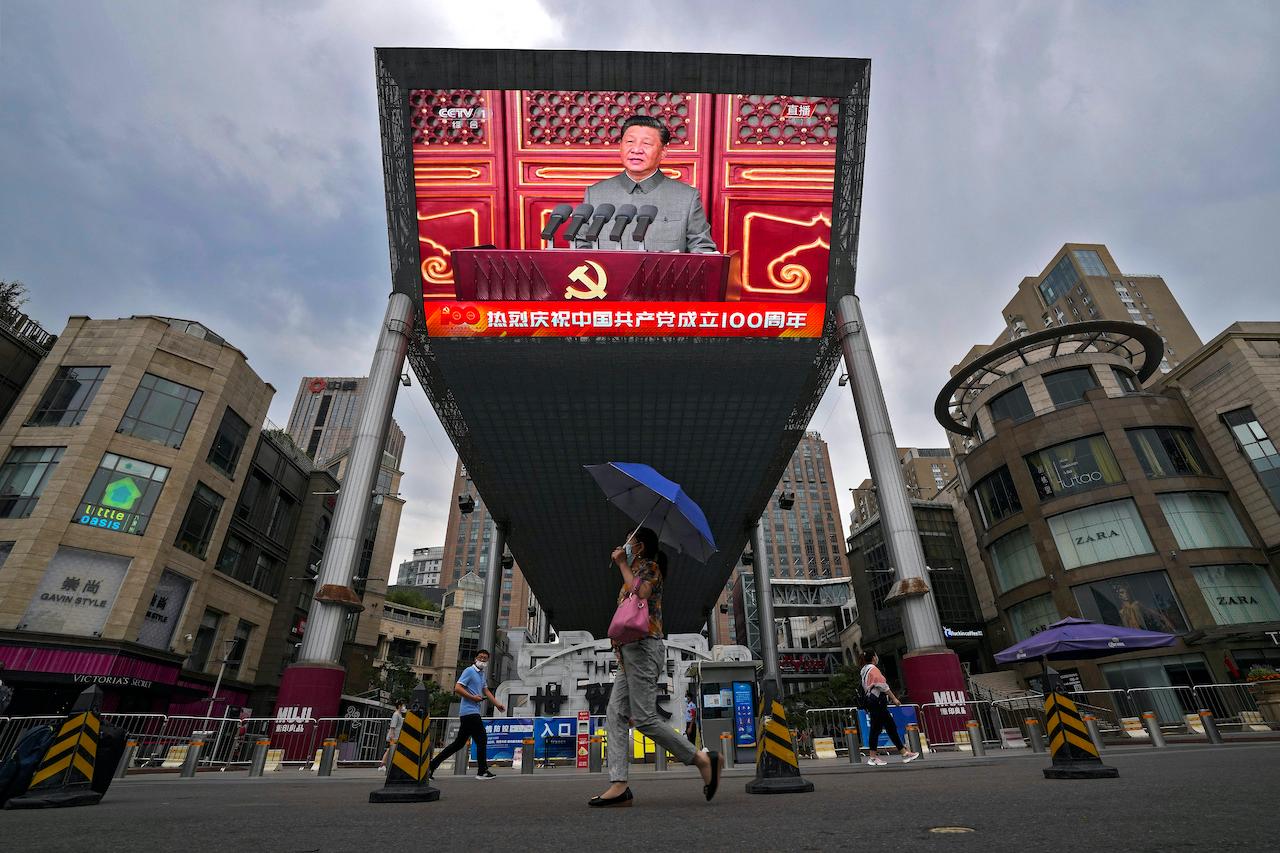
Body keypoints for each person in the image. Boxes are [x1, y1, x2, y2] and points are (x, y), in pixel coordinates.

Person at [590, 528, 722, 807]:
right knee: (615, 713)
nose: (625, 543)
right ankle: (619, 784)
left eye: (630, 540)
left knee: (645, 718)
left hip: (644, 647)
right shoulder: (636, 569)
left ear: (640, 545)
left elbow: (642, 593)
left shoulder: (651, 568)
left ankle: (701, 759)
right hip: (628, 654)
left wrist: (623, 565)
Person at [577, 115, 717, 253]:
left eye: (646, 143)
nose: (636, 149)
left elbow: (702, 249)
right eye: (630, 142)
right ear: (620, 146)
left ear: (663, 152)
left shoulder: (687, 197)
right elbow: (580, 244)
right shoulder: (596, 193)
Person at [427, 650, 506, 780]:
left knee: (458, 744)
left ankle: (431, 766)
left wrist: (497, 704)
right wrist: (473, 698)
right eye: (480, 657)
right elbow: (457, 688)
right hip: (469, 712)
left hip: (471, 712)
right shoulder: (469, 671)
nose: (482, 660)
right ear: (476, 658)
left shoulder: (481, 674)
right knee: (482, 739)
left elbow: (486, 690)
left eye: (485, 658)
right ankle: (482, 771)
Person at [859, 649, 919, 766]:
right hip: (877, 703)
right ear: (874, 658)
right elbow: (883, 686)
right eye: (876, 655)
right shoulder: (873, 669)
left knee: (890, 727)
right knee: (876, 729)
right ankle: (872, 757)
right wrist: (894, 698)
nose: (877, 657)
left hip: (873, 702)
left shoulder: (864, 670)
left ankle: (904, 753)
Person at [378, 699, 405, 772]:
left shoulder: (399, 714)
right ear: (399, 706)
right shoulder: (396, 714)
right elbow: (393, 725)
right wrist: (392, 734)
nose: (403, 707)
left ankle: (384, 764)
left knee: (390, 749)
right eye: (402, 705)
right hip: (394, 736)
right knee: (389, 750)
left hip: (397, 735)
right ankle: (382, 764)